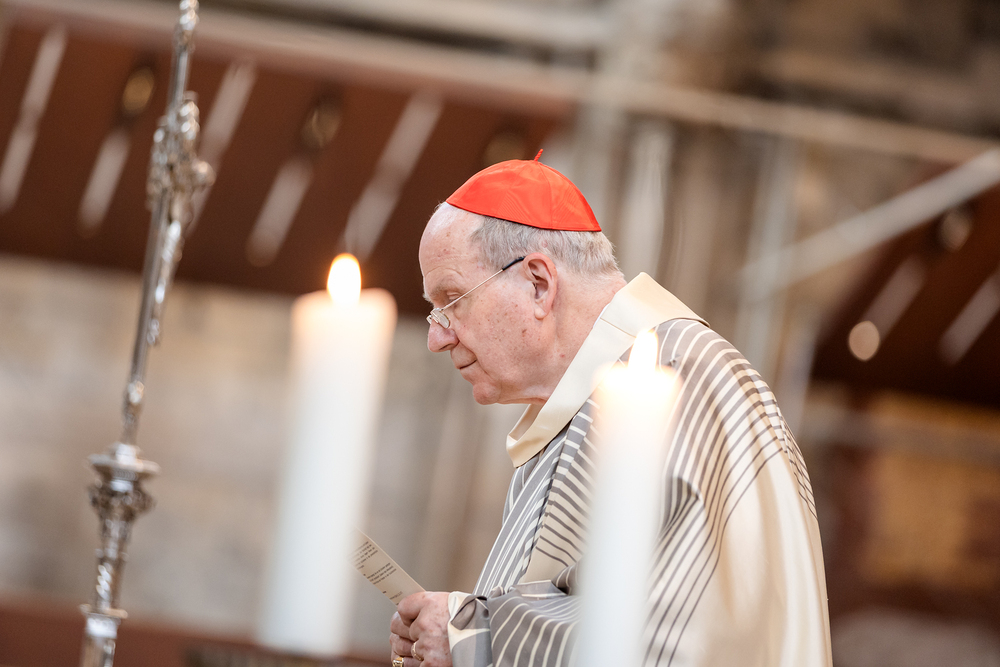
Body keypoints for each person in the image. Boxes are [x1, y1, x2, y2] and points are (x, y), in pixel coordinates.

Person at [389, 155, 832, 667]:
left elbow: (684, 636)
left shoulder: (678, 378)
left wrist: (474, 635)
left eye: (450, 301)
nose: (436, 339)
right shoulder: (582, 404)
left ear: (538, 284)